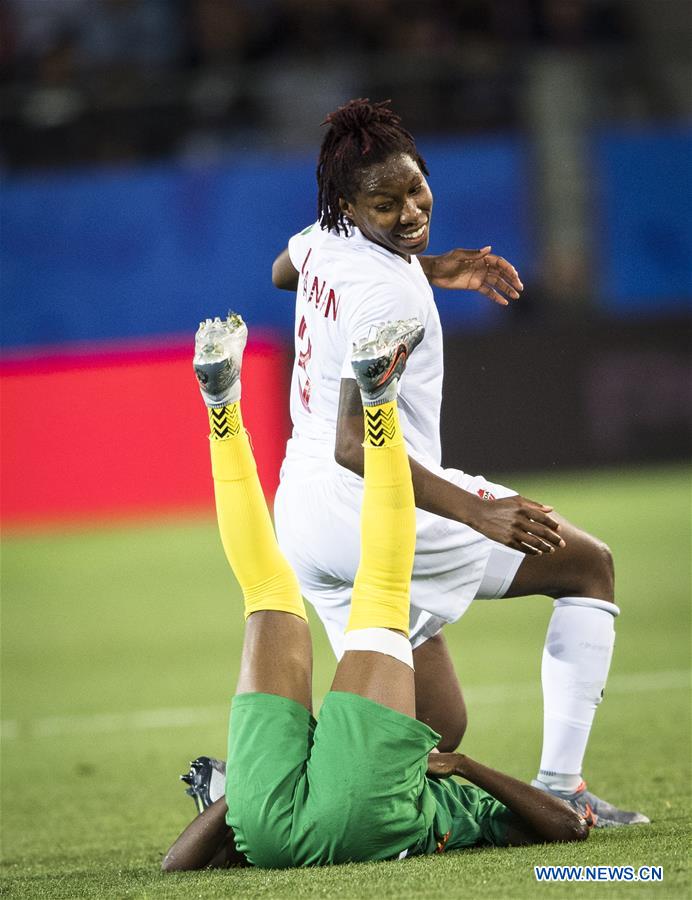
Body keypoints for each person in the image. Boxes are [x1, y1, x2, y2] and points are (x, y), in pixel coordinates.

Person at [270, 99, 648, 827]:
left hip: (305, 514)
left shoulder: (328, 237)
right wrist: (476, 510)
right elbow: (357, 442)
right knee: (587, 565)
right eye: (386, 205)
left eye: (416, 190)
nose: (411, 212)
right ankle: (564, 785)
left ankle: (246, 792)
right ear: (350, 204)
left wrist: (426, 264)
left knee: (434, 729)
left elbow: (284, 269)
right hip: (368, 508)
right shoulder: (386, 299)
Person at [162, 313, 588, 872]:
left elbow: (570, 827)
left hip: (369, 812)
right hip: (268, 834)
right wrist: (238, 793)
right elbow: (176, 865)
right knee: (265, 590)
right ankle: (222, 406)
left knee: (383, 585)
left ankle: (378, 397)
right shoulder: (481, 820)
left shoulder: (467, 806)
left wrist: (463, 766)